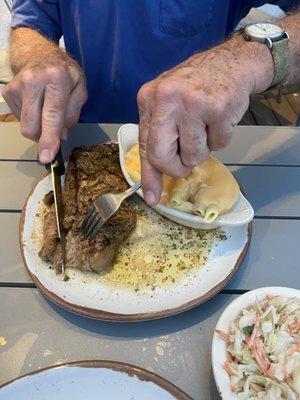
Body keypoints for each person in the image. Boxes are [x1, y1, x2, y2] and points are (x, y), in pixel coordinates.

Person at [3, 1, 300, 205]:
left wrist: (245, 59)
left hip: (196, 151)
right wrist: (39, 58)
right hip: (78, 137)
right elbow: (29, 24)